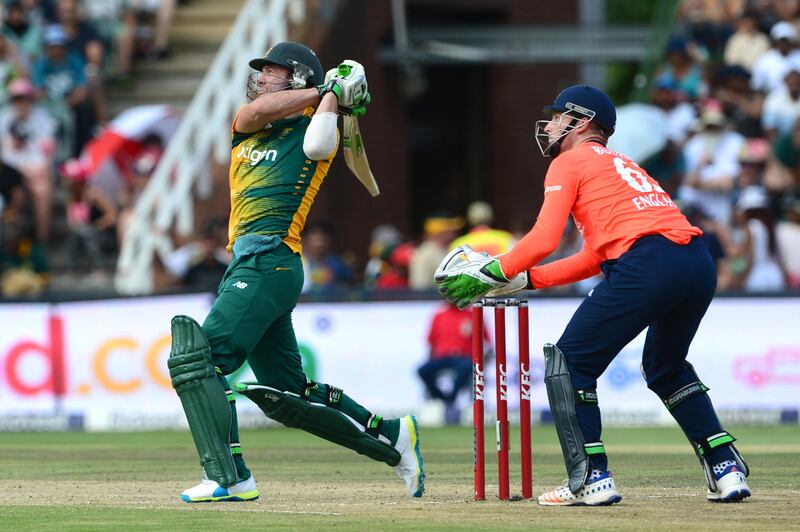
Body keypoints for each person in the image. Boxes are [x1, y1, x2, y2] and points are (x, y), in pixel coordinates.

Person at [434, 85, 751, 505]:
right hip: (695, 262)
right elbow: (594, 257)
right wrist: (525, 279)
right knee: (665, 366)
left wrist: (492, 270)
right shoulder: (621, 164)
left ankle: (591, 478)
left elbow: (545, 238)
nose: (548, 125)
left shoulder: (570, 162)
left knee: (569, 361)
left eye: (556, 116)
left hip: (649, 262)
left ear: (581, 123)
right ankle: (725, 466)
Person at [167, 41, 424, 504]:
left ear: (299, 77)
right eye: (261, 72)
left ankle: (230, 476)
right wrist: (327, 89)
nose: (261, 79)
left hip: (272, 260)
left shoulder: (316, 130)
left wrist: (331, 99)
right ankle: (392, 438)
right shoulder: (247, 126)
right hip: (250, 264)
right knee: (290, 395)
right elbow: (258, 109)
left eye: (272, 71)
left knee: (199, 360)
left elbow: (321, 144)